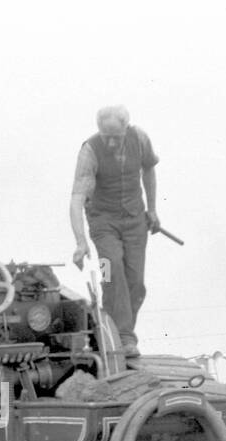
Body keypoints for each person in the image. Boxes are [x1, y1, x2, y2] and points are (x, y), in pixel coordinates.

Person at [70, 104, 161, 357]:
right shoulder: (90, 151)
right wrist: (80, 241)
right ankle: (121, 337)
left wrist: (152, 210)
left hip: (135, 222)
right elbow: (77, 199)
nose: (110, 143)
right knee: (111, 271)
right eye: (105, 136)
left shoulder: (140, 139)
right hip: (103, 223)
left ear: (126, 128)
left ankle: (120, 331)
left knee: (136, 282)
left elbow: (149, 170)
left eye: (116, 137)